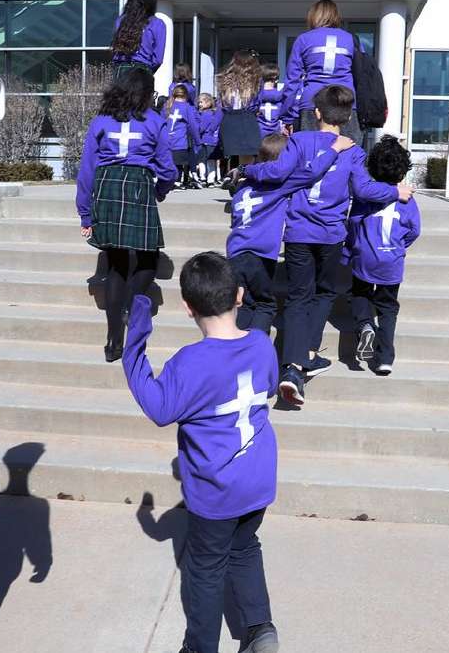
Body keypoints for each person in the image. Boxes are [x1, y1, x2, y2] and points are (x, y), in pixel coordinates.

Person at [122, 252, 281, 653]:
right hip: (258, 479)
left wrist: (134, 347)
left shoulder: (190, 362)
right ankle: (261, 629)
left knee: (206, 570)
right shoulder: (263, 345)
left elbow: (160, 409)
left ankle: (198, 647)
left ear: (188, 307)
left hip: (216, 491)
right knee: (245, 548)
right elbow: (271, 387)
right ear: (240, 296)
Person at [259, 86, 411, 406]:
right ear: (347, 117)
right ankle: (306, 355)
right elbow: (365, 191)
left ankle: (292, 366)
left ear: (317, 114)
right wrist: (395, 193)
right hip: (329, 235)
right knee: (325, 292)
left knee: (299, 297)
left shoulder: (298, 141)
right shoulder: (353, 151)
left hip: (298, 232)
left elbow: (282, 173)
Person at [75, 68, 176, 362]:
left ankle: (113, 340)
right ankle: (130, 305)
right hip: (138, 186)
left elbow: (87, 171)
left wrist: (85, 213)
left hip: (107, 186)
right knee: (148, 257)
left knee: (116, 264)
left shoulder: (101, 121)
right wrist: (161, 190)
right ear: (146, 92)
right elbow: (168, 168)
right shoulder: (155, 121)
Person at [227, 133, 352, 333]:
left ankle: (238, 348)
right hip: (260, 254)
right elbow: (311, 172)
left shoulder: (243, 186)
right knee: (265, 305)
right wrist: (335, 149)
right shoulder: (279, 185)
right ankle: (257, 350)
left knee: (244, 304)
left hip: (235, 252)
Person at [348, 136, 421, 375]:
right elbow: (414, 230)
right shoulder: (408, 200)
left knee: (360, 293)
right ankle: (384, 358)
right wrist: (399, 246)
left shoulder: (364, 198)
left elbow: (354, 224)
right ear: (402, 173)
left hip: (365, 257)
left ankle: (365, 324)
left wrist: (354, 247)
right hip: (392, 261)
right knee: (388, 307)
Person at [281, 0, 361, 140]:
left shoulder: (303, 40)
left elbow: (292, 81)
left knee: (311, 155)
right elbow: (361, 75)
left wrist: (288, 117)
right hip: (345, 102)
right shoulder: (351, 40)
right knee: (348, 155)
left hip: (312, 103)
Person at [216, 50, 264, 170]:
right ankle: (242, 180)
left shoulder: (224, 80)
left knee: (233, 154)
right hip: (247, 118)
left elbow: (221, 104)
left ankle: (233, 178)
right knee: (248, 158)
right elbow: (258, 102)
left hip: (229, 119)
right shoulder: (256, 80)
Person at [111, 0, 165, 79]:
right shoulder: (157, 23)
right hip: (142, 71)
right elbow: (158, 59)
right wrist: (148, 71)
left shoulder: (120, 21)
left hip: (120, 70)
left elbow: (115, 49)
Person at [164, 84, 203, 189]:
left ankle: (169, 181)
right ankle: (176, 181)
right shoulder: (187, 107)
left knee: (170, 162)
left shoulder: (167, 105)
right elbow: (193, 126)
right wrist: (198, 141)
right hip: (179, 141)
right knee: (178, 164)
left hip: (166, 140)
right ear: (186, 95)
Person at [196, 93, 224, 186]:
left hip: (205, 139)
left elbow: (201, 127)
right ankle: (211, 179)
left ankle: (203, 177)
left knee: (203, 160)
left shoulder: (206, 114)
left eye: (201, 102)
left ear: (208, 102)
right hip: (212, 140)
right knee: (210, 160)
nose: (199, 104)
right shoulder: (212, 113)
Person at [254, 64, 286, 138]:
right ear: (276, 79)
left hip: (258, 132)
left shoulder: (255, 96)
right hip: (276, 133)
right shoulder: (282, 95)